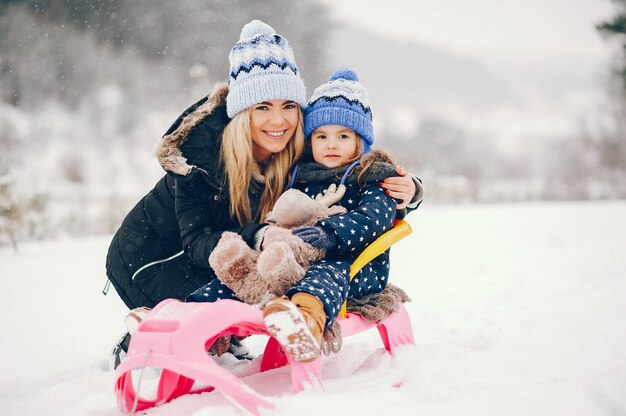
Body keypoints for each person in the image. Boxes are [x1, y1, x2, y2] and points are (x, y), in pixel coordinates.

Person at [105, 20, 419, 365]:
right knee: (235, 283)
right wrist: (261, 236)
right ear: (242, 113)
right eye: (263, 107)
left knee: (254, 275)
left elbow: (352, 168)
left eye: (288, 106)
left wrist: (409, 189)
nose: (278, 121)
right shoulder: (200, 160)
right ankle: (159, 329)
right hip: (153, 257)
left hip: (227, 250)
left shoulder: (297, 152)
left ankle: (220, 332)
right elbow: (196, 242)